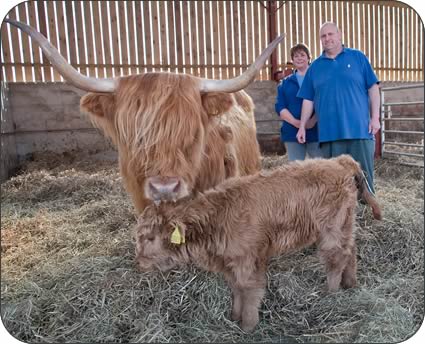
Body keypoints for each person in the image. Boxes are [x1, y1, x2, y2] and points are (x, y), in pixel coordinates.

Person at [296, 22, 380, 194]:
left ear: (339, 34)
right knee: (334, 183)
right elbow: (307, 100)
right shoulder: (315, 67)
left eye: (330, 34)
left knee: (363, 177)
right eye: (323, 36)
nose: (327, 39)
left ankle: (367, 210)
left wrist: (375, 118)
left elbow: (373, 88)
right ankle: (339, 217)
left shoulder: (358, 57)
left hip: (359, 130)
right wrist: (303, 125)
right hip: (329, 134)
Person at [275, 43, 322, 161]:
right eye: (296, 56)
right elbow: (280, 107)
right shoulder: (285, 83)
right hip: (292, 132)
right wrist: (297, 123)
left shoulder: (318, 80)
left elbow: (323, 101)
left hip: (315, 130)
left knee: (319, 168)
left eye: (302, 55)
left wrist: (312, 121)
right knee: (296, 170)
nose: (299, 58)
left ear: (308, 58)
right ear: (292, 60)